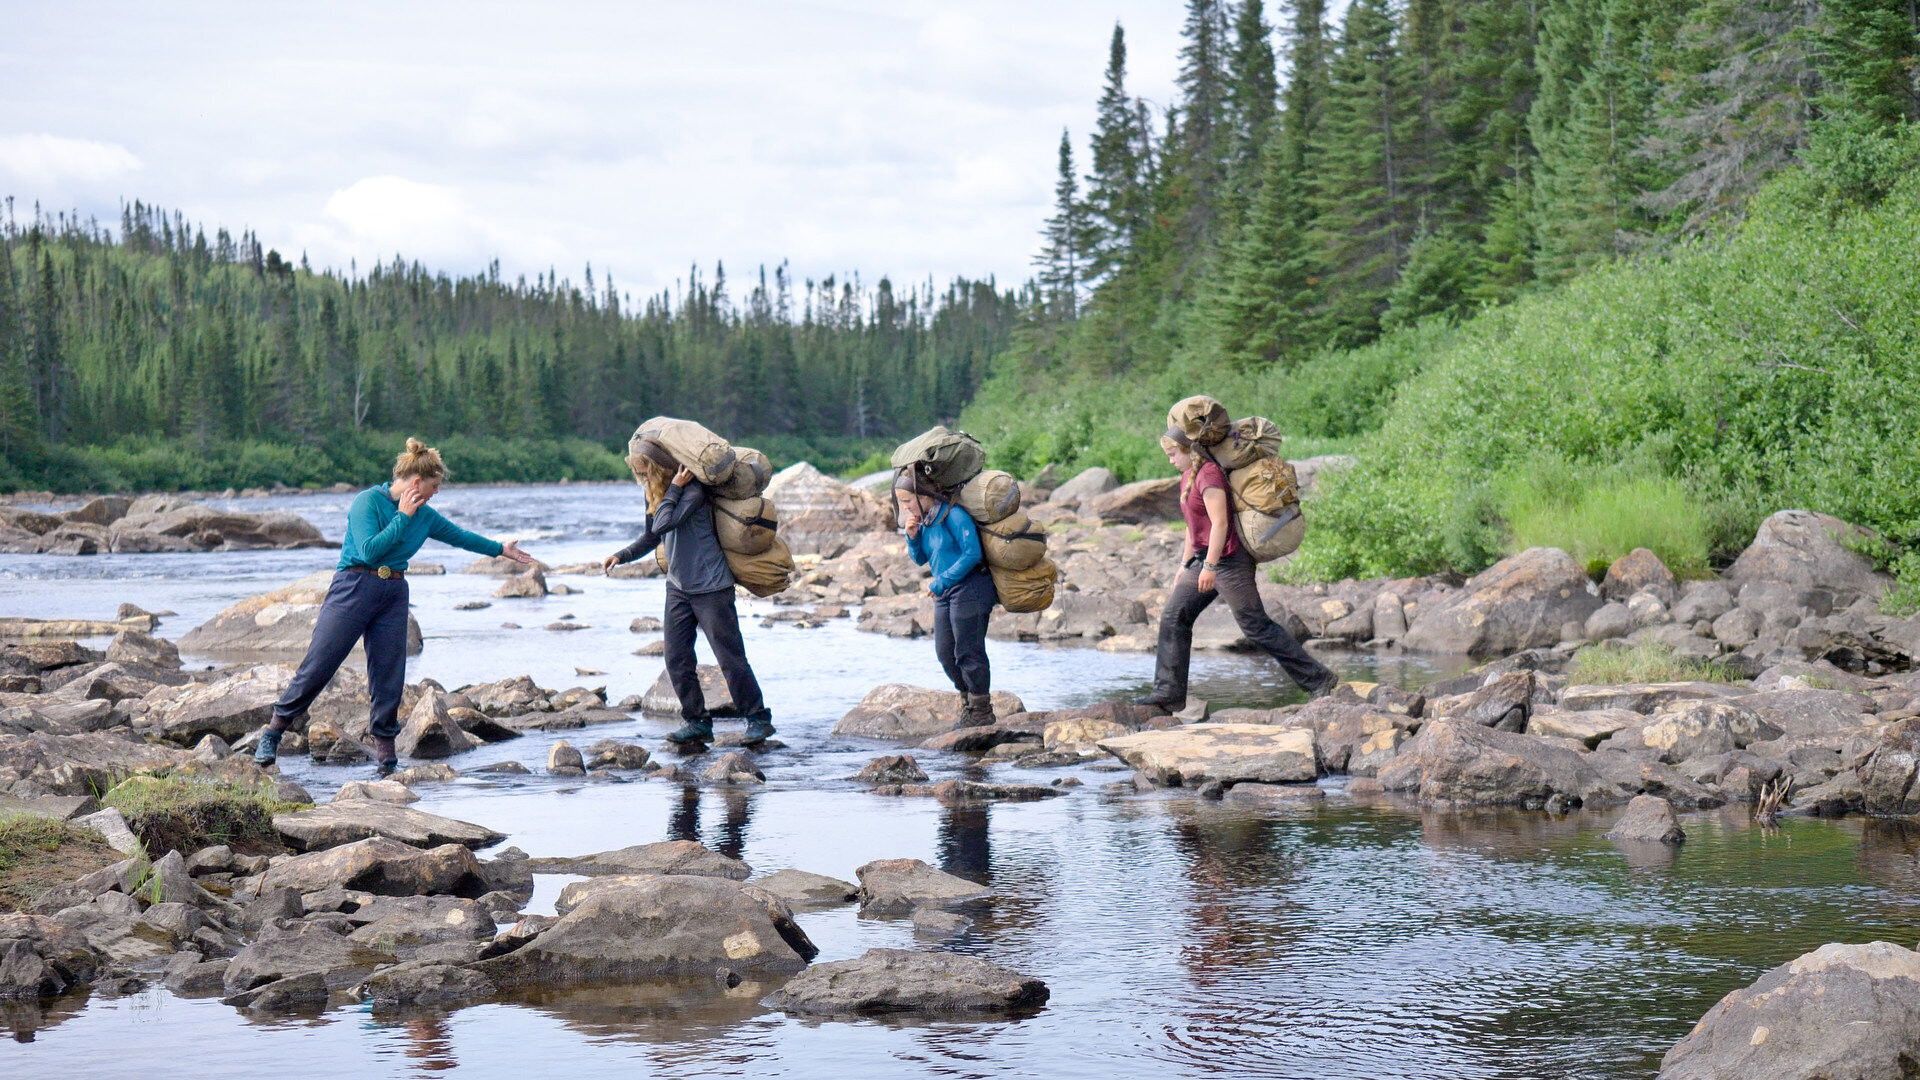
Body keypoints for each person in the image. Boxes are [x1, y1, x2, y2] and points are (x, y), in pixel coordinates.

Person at [252, 438, 536, 776]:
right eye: (432, 487)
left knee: (389, 673)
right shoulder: (367, 502)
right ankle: (273, 732)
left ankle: (386, 756)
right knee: (320, 664)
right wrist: (402, 516)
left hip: (393, 593)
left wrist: (500, 548)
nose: (434, 494)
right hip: (354, 587)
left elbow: (459, 535)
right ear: (415, 482)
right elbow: (370, 550)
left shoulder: (425, 516)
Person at [1135, 427, 1336, 711]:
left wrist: (1211, 566)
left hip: (1229, 561)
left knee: (1255, 626)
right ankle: (1169, 693)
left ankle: (1319, 680)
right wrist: (1185, 565)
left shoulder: (1209, 475)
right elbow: (1193, 529)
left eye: (1172, 454)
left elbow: (1220, 524)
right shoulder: (1187, 478)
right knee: (1173, 616)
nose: (1170, 460)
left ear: (1188, 450)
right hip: (1204, 560)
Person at [604, 436, 774, 748]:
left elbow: (664, 524)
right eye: (637, 474)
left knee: (730, 658)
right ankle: (697, 722)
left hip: (711, 586)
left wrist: (676, 489)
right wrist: (623, 555)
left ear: (657, 468)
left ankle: (758, 718)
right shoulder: (658, 493)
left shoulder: (694, 490)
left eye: (644, 473)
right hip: (679, 587)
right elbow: (649, 537)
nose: (641, 479)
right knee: (677, 658)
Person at [897, 467, 998, 727]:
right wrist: (912, 538)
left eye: (908, 501)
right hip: (946, 592)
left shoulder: (954, 515)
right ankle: (967, 702)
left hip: (972, 587)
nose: (906, 508)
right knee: (945, 653)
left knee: (968, 651)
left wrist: (942, 581)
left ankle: (981, 710)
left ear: (924, 495)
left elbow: (972, 554)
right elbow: (921, 559)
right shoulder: (927, 522)